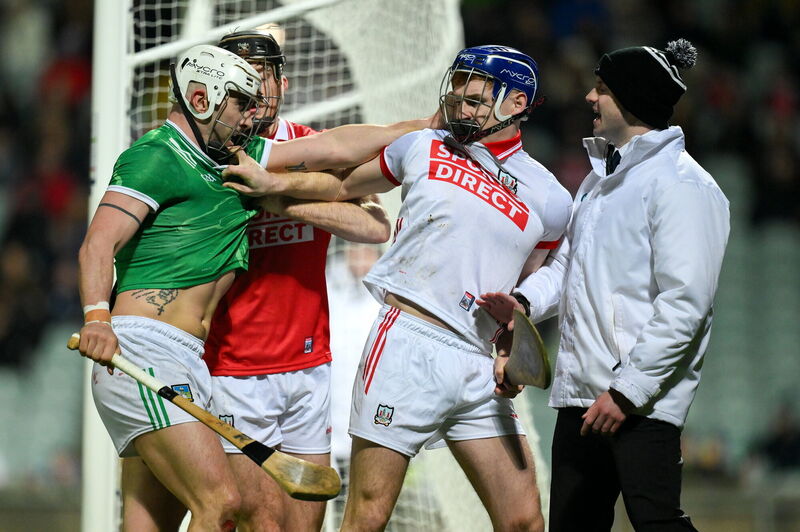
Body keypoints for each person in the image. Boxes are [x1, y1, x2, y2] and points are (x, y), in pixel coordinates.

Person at [77, 43, 435, 530]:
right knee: (221, 506)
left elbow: (336, 147)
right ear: (202, 100)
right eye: (241, 104)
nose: (251, 118)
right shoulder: (154, 156)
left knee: (148, 524)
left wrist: (424, 128)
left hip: (189, 354)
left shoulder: (229, 155)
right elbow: (97, 243)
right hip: (144, 348)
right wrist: (97, 315)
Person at [223, 45, 573, 532]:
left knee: (525, 522)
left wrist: (523, 313)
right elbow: (341, 185)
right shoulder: (425, 145)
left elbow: (548, 274)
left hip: (478, 364)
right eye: (456, 91)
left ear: (516, 105)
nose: (457, 103)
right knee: (367, 515)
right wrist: (273, 189)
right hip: (407, 345)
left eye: (474, 97)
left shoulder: (551, 198)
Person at [478, 39, 730, 531]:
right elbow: (566, 269)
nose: (590, 98)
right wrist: (523, 303)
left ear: (631, 100)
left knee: (657, 523)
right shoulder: (599, 182)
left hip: (637, 404)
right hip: (582, 398)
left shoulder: (685, 186)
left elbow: (685, 305)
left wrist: (627, 392)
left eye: (602, 89)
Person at [205, 27, 391, 531]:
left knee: (304, 527)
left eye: (264, 74)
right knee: (261, 524)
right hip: (231, 368)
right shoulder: (206, 156)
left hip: (311, 367)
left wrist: (276, 194)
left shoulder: (312, 149)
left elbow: (376, 225)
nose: (255, 86)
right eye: (243, 77)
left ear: (283, 84)